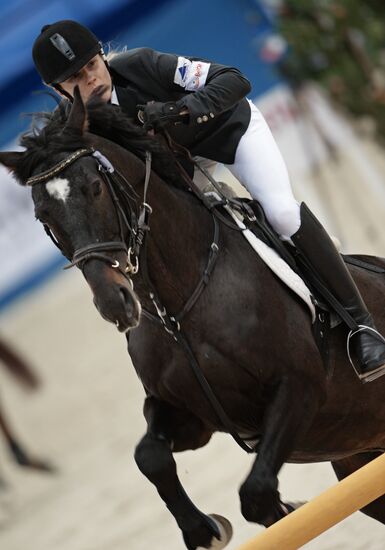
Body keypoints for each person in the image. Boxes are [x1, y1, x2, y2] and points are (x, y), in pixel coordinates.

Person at [31, 20, 385, 382]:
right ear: (58, 90)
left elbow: (234, 79)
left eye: (92, 65)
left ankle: (362, 326)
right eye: (75, 78)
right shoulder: (72, 128)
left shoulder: (143, 65)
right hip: (180, 168)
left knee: (280, 213)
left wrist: (179, 110)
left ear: (102, 57)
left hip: (228, 132)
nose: (90, 79)